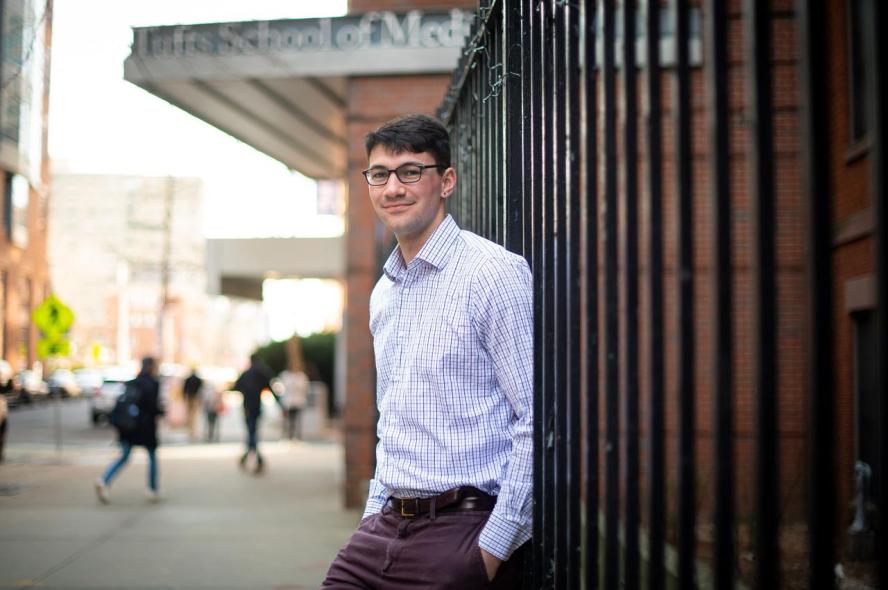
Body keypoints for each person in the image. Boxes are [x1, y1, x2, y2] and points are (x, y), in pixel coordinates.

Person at [322, 114, 533, 589]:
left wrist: (491, 550)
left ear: (447, 181)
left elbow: (536, 420)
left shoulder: (493, 274)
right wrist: (372, 514)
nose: (393, 187)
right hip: (383, 528)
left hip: (460, 531)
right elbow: (392, 417)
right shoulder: (385, 291)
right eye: (380, 174)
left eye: (411, 171)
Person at [94, 356, 164, 504]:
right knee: (151, 457)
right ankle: (152, 489)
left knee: (124, 456)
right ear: (152, 367)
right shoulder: (153, 384)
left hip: (128, 427)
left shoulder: (132, 383)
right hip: (146, 428)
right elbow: (153, 408)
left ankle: (104, 480)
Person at [233, 354, 279, 473]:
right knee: (253, 432)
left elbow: (236, 386)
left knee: (251, 431)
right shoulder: (263, 372)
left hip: (247, 407)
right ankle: (256, 458)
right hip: (257, 407)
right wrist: (280, 403)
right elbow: (270, 388)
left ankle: (255, 458)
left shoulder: (246, 373)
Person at [278, 368, 308, 440]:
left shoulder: (301, 376)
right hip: (288, 402)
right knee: (288, 420)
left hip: (298, 401)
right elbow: (281, 387)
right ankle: (289, 435)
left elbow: (304, 387)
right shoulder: (285, 375)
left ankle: (297, 436)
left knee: (297, 420)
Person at [182, 368, 203, 441]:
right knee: (194, 416)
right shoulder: (198, 379)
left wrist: (185, 398)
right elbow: (201, 389)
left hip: (190, 398)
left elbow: (184, 389)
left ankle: (191, 431)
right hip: (195, 398)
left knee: (190, 416)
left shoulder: (188, 379)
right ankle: (193, 431)